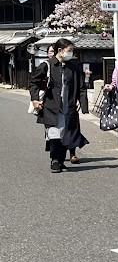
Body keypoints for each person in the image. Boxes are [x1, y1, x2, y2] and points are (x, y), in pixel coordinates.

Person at [29, 38, 89, 173]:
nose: (71, 53)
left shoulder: (74, 67)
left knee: (64, 135)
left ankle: (60, 161)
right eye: (69, 50)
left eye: (72, 51)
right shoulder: (47, 65)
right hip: (51, 106)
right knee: (54, 135)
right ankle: (55, 160)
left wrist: (84, 105)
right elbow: (34, 82)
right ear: (60, 51)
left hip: (68, 106)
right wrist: (34, 99)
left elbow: (81, 87)